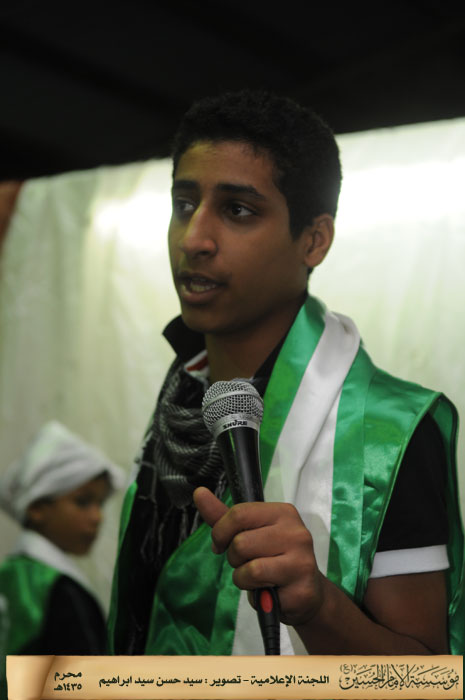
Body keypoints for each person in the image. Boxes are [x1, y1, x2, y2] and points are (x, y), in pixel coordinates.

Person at [108, 89, 464, 656]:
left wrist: (320, 607)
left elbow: (426, 681)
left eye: (238, 210)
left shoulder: (389, 433)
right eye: (184, 204)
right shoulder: (181, 400)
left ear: (313, 241)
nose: (194, 239)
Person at [0, 420, 124, 661]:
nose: (97, 517)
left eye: (100, 504)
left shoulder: (12, 574)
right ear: (37, 508)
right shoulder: (56, 590)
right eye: (83, 502)